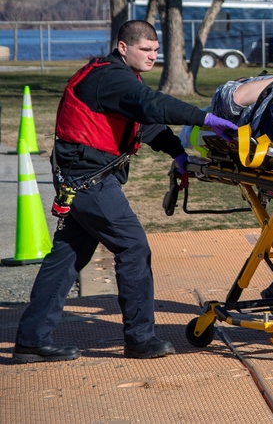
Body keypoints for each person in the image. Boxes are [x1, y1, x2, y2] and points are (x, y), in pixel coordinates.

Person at [12, 20, 239, 364]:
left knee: (67, 257)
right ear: (122, 47)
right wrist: (204, 119)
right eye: (145, 50)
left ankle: (31, 339)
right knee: (132, 246)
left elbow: (146, 124)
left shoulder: (117, 79)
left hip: (83, 178)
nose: (152, 57)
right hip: (90, 181)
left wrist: (176, 153)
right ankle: (140, 338)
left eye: (155, 51)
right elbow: (153, 105)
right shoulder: (109, 77)